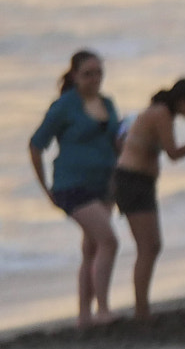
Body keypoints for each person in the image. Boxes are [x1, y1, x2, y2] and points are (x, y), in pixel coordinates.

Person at [29, 51, 123, 326]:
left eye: (98, 73)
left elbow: (114, 140)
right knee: (109, 241)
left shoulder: (108, 102)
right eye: (88, 74)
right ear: (74, 76)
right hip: (72, 184)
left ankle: (84, 314)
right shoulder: (64, 106)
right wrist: (45, 187)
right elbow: (36, 145)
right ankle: (103, 309)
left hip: (104, 184)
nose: (94, 79)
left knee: (92, 246)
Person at [112, 76, 185, 320]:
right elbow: (172, 153)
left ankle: (143, 308)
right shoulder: (161, 113)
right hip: (133, 181)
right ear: (183, 101)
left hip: (138, 181)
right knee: (148, 247)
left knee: (151, 246)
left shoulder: (162, 113)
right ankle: (141, 311)